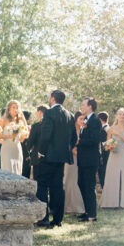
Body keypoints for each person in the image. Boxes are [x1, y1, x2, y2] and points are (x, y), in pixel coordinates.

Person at [35, 90, 75, 228]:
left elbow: (46, 136)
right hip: (62, 157)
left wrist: (40, 152)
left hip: (48, 156)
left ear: (52, 98)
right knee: (57, 188)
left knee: (41, 186)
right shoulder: (70, 115)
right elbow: (74, 138)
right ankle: (58, 219)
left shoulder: (49, 114)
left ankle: (43, 218)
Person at [76, 98, 105, 222]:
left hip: (90, 159)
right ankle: (87, 211)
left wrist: (79, 141)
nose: (82, 106)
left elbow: (94, 140)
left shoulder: (95, 121)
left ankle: (92, 215)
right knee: (81, 184)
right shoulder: (86, 119)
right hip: (83, 159)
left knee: (89, 186)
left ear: (90, 106)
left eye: (83, 104)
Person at [101, 108, 124, 209]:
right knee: (111, 177)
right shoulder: (111, 128)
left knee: (123, 177)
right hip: (114, 154)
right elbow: (107, 143)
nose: (121, 116)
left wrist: (119, 135)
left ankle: (123, 204)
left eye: (123, 114)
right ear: (116, 116)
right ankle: (110, 203)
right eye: (120, 114)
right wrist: (109, 147)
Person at [0, 100, 28, 175]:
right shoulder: (3, 120)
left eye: (17, 108)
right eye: (13, 107)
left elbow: (25, 133)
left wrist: (23, 135)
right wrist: (9, 136)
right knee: (7, 172)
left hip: (17, 150)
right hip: (7, 150)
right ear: (9, 109)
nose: (15, 109)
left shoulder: (19, 121)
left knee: (17, 172)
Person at [64, 120, 85, 217]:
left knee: (77, 181)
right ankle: (68, 205)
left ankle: (77, 205)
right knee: (69, 180)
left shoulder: (84, 130)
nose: (82, 121)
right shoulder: (71, 130)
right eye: (80, 118)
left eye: (83, 119)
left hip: (80, 157)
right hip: (71, 158)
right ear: (76, 119)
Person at [97, 111, 110, 188]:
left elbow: (110, 144)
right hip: (100, 155)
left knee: (103, 176)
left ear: (100, 119)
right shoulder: (101, 128)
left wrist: (104, 145)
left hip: (105, 156)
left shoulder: (108, 129)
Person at [20, 110, 35, 178]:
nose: (31, 119)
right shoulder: (25, 128)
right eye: (30, 117)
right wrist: (28, 155)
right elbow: (25, 143)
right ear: (27, 118)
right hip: (25, 155)